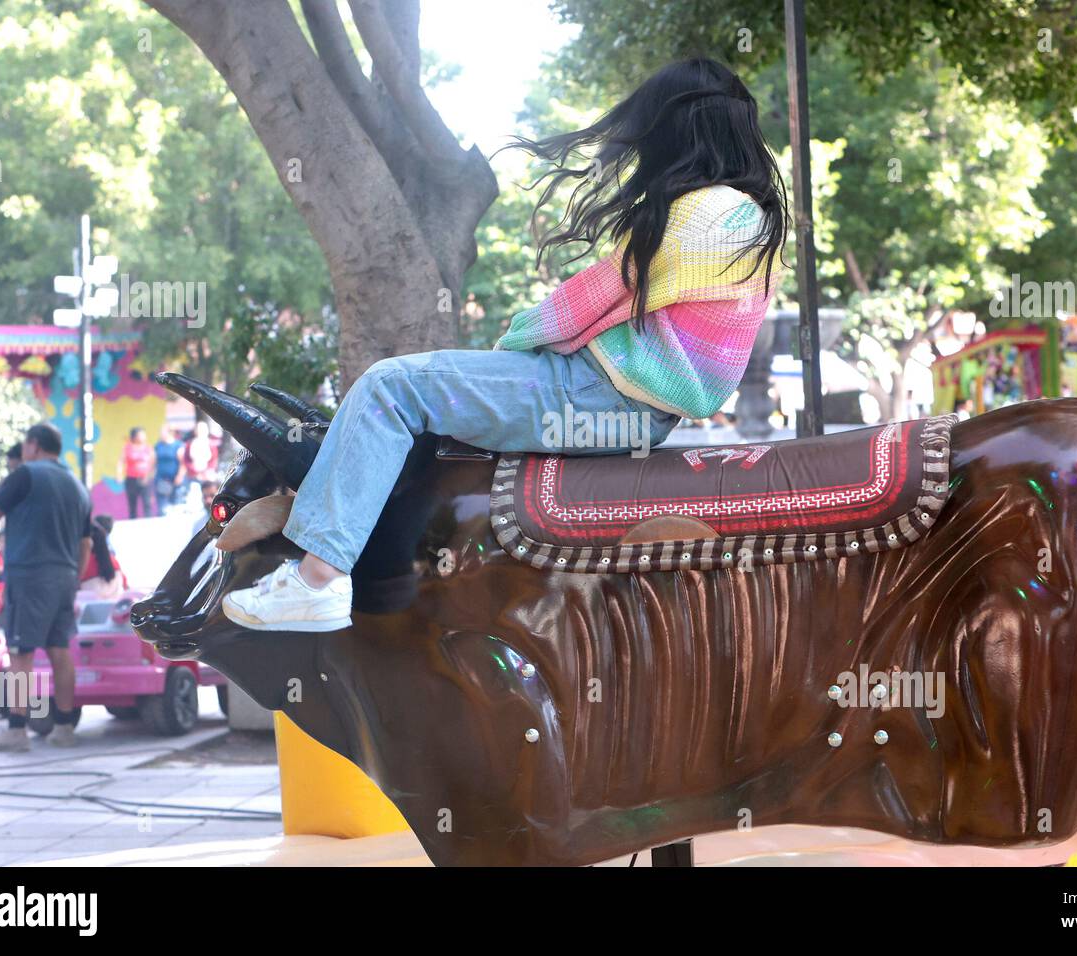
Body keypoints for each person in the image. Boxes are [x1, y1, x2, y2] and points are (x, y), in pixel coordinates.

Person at [223, 57, 788, 632]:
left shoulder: (703, 212)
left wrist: (511, 345)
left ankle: (316, 580)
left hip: (595, 394)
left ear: (680, 131)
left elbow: (578, 307)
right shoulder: (751, 218)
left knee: (391, 386)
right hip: (635, 413)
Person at [0, 423, 91, 752]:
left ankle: (16, 730)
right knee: (59, 650)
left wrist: (11, 474)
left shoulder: (26, 474)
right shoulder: (77, 485)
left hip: (30, 574)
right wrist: (74, 577)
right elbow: (86, 542)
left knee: (20, 652)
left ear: (34, 445)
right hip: (66, 576)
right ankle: (65, 727)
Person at [81, 514, 127, 599]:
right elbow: (125, 585)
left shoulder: (83, 564)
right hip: (115, 608)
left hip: (90, 610)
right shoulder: (114, 561)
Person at [118, 426, 155, 519]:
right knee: (132, 504)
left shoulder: (148, 448)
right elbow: (121, 461)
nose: (144, 437)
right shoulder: (127, 448)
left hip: (144, 479)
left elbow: (153, 464)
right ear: (135, 436)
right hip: (131, 479)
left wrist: (148, 476)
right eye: (141, 435)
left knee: (147, 503)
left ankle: (149, 523)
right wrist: (119, 475)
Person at [153, 424, 184, 511]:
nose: (161, 434)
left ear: (169, 433)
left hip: (174, 480)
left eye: (162, 432)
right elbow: (154, 462)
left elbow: (182, 463)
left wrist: (180, 476)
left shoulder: (177, 445)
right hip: (161, 479)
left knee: (175, 506)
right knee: (162, 508)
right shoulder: (158, 445)